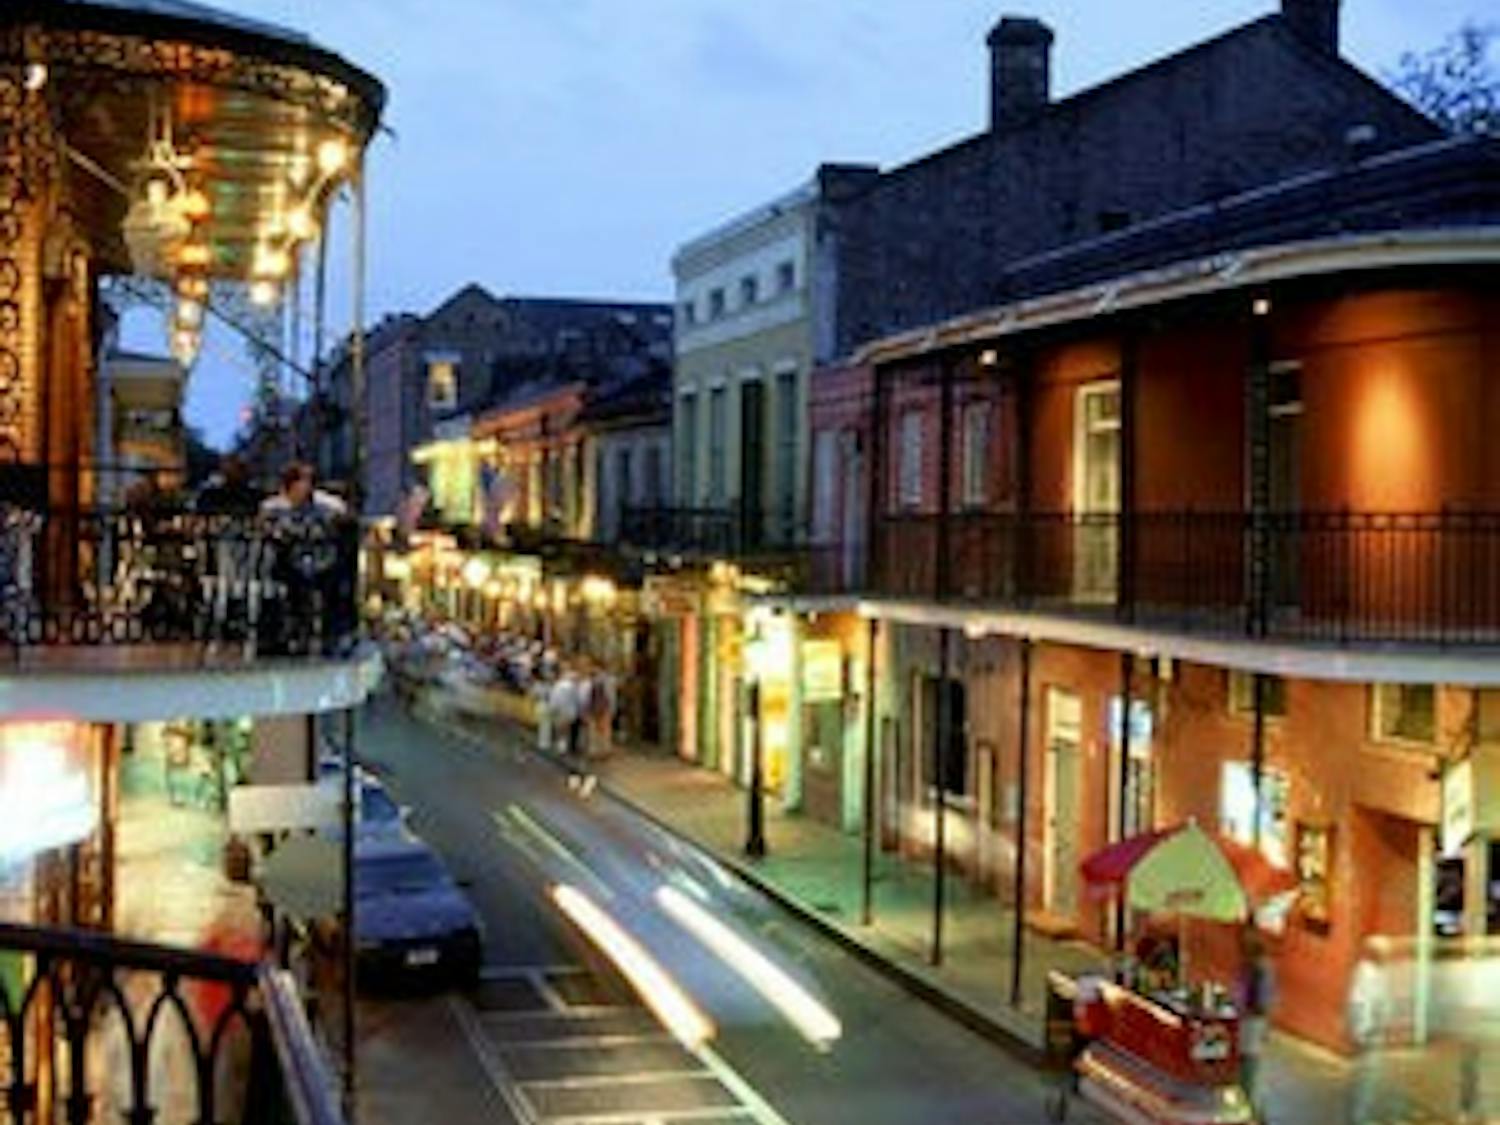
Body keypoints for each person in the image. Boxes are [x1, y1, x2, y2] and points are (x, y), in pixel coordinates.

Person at [1346, 937, 1390, 1124]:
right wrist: (1362, 1032)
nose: (1386, 957)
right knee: (1364, 1080)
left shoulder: (1374, 973)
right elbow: (1358, 1003)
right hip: (1369, 1034)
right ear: (1374, 953)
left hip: (1373, 1033)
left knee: (1368, 1080)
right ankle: (1359, 1118)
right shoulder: (1366, 974)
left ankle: (1360, 1116)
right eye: (1384, 953)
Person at [1238, 926, 1277, 1121]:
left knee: (1249, 1068)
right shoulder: (1252, 967)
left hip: (1252, 1024)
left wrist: (1245, 1012)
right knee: (1246, 1066)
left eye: (1245, 947)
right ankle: (1249, 1107)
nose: (1242, 950)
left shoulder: (1261, 968)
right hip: (1249, 1023)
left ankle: (1251, 1111)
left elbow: (1262, 1002)